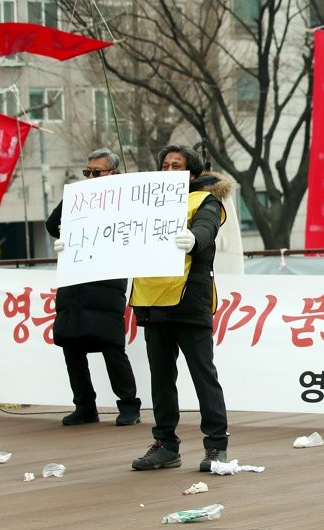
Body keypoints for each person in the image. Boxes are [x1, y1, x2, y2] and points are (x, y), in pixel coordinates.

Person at [129, 144, 231, 472]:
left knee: (203, 375)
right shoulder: (142, 202)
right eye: (166, 164)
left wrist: (195, 238)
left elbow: (207, 227)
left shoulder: (205, 200)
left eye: (178, 166)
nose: (170, 170)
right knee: (160, 378)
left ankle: (216, 445)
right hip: (151, 300)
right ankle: (165, 444)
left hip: (189, 300)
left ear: (192, 174)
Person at [46, 148, 141, 426]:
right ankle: (85, 405)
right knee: (71, 343)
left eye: (96, 172)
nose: (90, 176)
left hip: (106, 281)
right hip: (75, 280)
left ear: (113, 173)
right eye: (87, 172)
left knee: (111, 345)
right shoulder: (78, 197)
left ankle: (128, 405)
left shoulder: (126, 201)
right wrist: (72, 200)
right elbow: (53, 225)